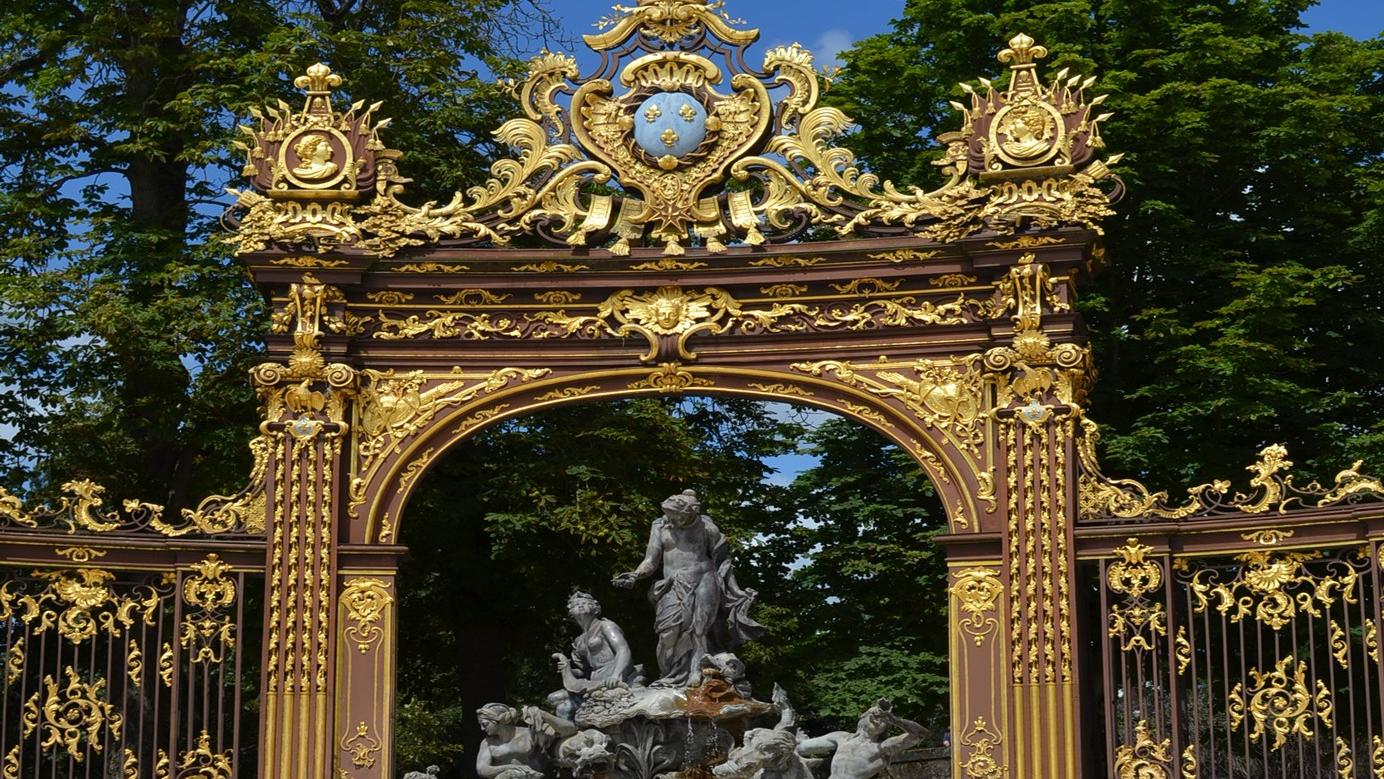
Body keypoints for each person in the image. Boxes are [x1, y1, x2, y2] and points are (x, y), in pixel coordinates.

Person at [613, 489, 763, 686]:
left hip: (704, 579)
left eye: (677, 516)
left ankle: (696, 672)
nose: (672, 519)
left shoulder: (707, 528)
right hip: (673, 583)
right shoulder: (660, 526)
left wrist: (735, 591)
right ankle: (668, 675)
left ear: (691, 512)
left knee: (699, 630)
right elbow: (651, 560)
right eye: (669, 514)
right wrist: (635, 575)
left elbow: (723, 561)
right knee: (668, 633)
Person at [548, 591, 641, 718]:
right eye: (576, 605)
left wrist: (616, 675)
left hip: (614, 674)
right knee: (553, 698)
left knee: (564, 707)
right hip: (595, 679)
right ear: (571, 613)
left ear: (595, 608)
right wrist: (567, 668)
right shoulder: (579, 640)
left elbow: (623, 649)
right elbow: (584, 671)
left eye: (584, 603)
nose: (580, 605)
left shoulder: (605, 626)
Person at [795, 699, 929, 779]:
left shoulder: (881, 747)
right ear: (863, 718)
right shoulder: (841, 737)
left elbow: (920, 734)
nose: (878, 719)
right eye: (874, 715)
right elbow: (802, 747)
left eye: (883, 720)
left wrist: (895, 720)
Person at [475, 703, 546, 779]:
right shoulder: (487, 742)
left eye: (485, 724)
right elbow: (482, 769)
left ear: (498, 720)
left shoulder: (529, 734)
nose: (482, 728)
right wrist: (510, 767)